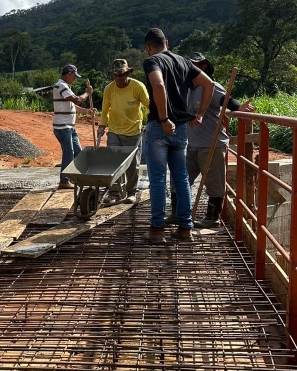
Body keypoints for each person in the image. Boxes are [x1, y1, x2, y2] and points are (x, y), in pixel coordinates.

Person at [167, 52, 254, 229]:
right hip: (190, 144)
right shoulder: (186, 88)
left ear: (203, 67)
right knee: (178, 179)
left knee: (214, 182)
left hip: (211, 143)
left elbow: (226, 101)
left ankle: (211, 218)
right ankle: (176, 214)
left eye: (195, 65)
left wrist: (239, 108)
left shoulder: (210, 87)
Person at [142, 28, 214, 243]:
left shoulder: (152, 61)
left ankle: (157, 230)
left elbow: (158, 84)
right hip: (182, 128)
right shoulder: (184, 62)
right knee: (181, 178)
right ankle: (185, 229)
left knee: (157, 179)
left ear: (148, 48)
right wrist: (199, 114)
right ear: (167, 41)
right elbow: (208, 84)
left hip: (159, 127)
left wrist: (164, 119)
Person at [98, 58, 149, 204]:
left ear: (127, 73)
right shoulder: (109, 89)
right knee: (113, 161)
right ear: (113, 75)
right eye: (116, 75)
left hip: (133, 131)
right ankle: (114, 192)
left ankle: (131, 191)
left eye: (122, 74)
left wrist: (150, 121)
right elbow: (105, 109)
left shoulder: (137, 87)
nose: (119, 78)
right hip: (114, 130)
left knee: (132, 164)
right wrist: (102, 124)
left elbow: (148, 104)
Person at [52, 64, 93, 190]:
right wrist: (87, 93)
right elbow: (77, 100)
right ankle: (64, 181)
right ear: (68, 74)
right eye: (74, 76)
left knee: (78, 153)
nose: (74, 79)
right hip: (63, 127)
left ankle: (75, 177)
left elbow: (72, 106)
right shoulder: (61, 86)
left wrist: (87, 111)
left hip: (70, 127)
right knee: (69, 152)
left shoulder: (66, 87)